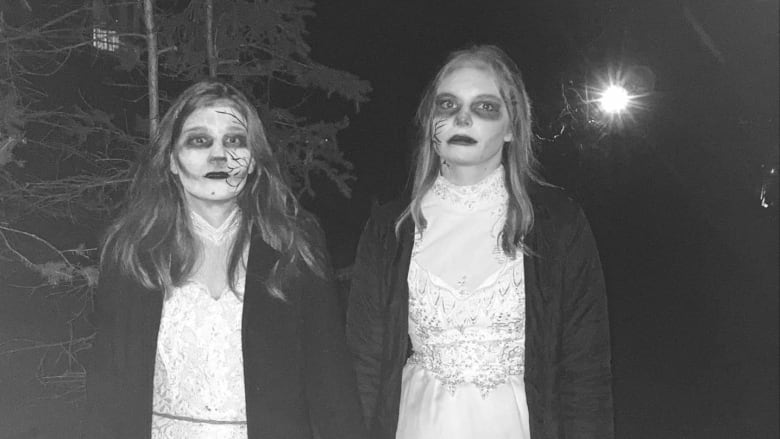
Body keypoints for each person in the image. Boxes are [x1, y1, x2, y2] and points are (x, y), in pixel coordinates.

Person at [346, 45, 614, 439]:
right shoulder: (391, 228)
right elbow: (363, 367)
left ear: (511, 128)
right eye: (448, 105)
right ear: (429, 123)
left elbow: (584, 372)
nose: (463, 118)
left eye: (485, 107)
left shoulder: (557, 224)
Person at [84, 79, 366, 439]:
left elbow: (332, 386)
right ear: (171, 159)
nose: (219, 156)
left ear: (252, 161)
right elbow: (106, 392)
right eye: (199, 141)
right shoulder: (134, 252)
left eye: (234, 141)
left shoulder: (294, 247)